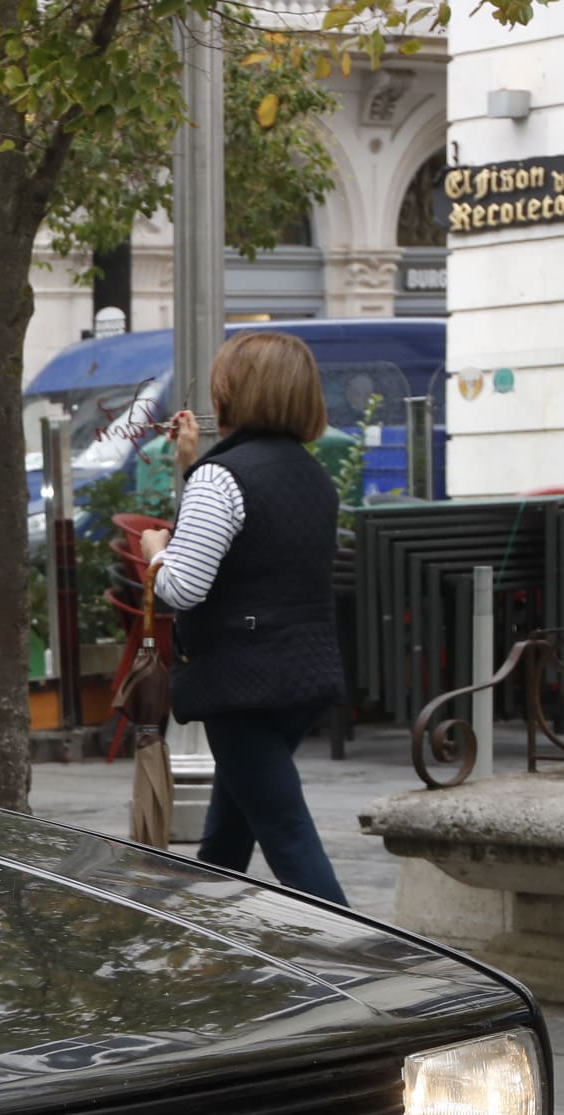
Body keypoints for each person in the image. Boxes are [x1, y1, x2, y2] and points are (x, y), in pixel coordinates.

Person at [138, 331, 349, 905]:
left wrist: (155, 549)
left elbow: (182, 588)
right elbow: (256, 550)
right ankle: (203, 943)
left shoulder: (220, 477)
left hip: (240, 682)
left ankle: (370, 960)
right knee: (229, 836)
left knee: (288, 837)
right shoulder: (313, 476)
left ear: (233, 392)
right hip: (300, 678)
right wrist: (194, 468)